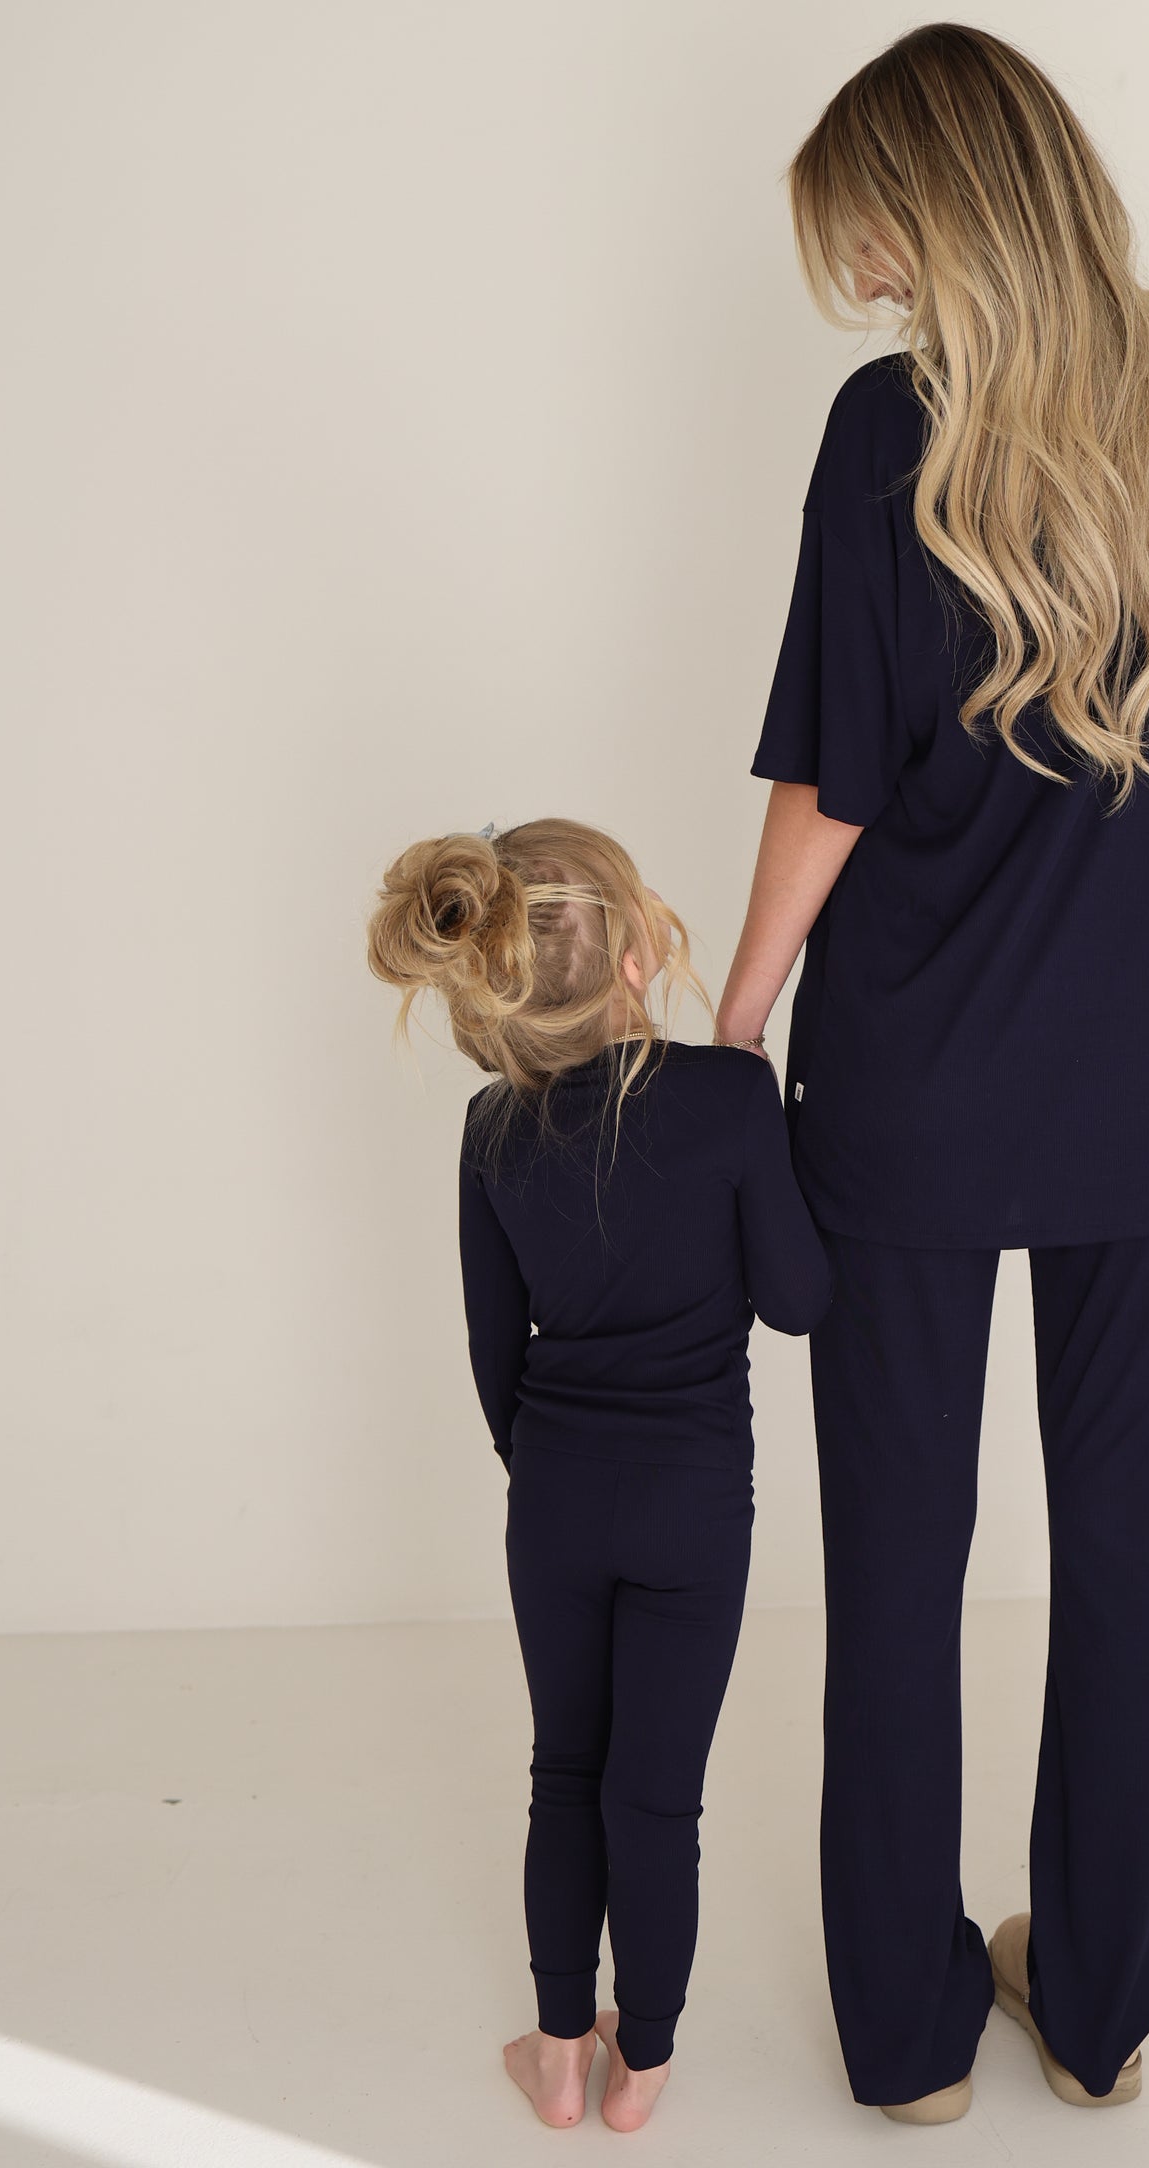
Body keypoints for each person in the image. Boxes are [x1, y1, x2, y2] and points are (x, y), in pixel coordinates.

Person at [716, 22, 1149, 2126]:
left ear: (948, 209)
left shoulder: (879, 438)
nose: (878, 288)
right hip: (1139, 1111)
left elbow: (828, 781)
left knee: (894, 1572)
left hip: (901, 1094)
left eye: (883, 241)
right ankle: (1094, 2004)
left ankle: (908, 2042)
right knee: (1128, 1561)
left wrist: (733, 1023)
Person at [366, 817, 832, 2132]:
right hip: (694, 1508)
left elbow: (488, 1348)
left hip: (555, 1501)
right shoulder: (730, 1098)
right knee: (656, 1794)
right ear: (635, 952)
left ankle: (559, 2051)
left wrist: (547, 1471)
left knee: (564, 1769)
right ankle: (648, 2069)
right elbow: (799, 1304)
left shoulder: (488, 1132)